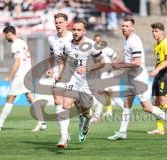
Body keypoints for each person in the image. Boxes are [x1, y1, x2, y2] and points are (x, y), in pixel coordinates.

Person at [107, 16, 167, 141]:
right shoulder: (128, 40)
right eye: (123, 26)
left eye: (127, 26)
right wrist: (118, 65)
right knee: (126, 104)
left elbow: (137, 62)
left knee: (147, 107)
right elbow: (130, 61)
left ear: (132, 28)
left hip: (138, 78)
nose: (124, 28)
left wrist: (119, 65)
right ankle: (122, 132)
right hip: (132, 77)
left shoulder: (133, 41)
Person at [56, 18, 104, 148]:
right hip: (72, 80)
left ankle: (86, 120)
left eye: (79, 30)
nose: (76, 32)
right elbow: (63, 58)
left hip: (87, 83)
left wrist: (87, 68)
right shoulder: (67, 44)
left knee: (85, 110)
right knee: (65, 105)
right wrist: (60, 73)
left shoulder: (91, 45)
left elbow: (102, 62)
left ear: (84, 31)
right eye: (74, 29)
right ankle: (63, 138)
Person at [0, 26, 43, 131]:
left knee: (10, 98)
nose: (5, 38)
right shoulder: (22, 42)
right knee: (30, 97)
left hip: (21, 75)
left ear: (9, 33)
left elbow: (17, 63)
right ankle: (42, 121)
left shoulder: (15, 45)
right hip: (28, 73)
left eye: (5, 35)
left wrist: (9, 76)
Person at [41, 13, 73, 147]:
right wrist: (49, 68)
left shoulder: (73, 37)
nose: (58, 25)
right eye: (56, 23)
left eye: (60, 22)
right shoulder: (51, 39)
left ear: (67, 23)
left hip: (72, 73)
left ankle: (87, 116)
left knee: (71, 105)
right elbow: (51, 55)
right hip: (57, 72)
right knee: (58, 101)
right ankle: (63, 137)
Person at [91, 33, 124, 123]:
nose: (97, 42)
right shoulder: (92, 52)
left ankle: (96, 116)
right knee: (111, 96)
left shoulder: (107, 50)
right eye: (96, 41)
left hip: (108, 76)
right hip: (99, 76)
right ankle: (126, 110)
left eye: (99, 41)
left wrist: (112, 67)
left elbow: (116, 58)